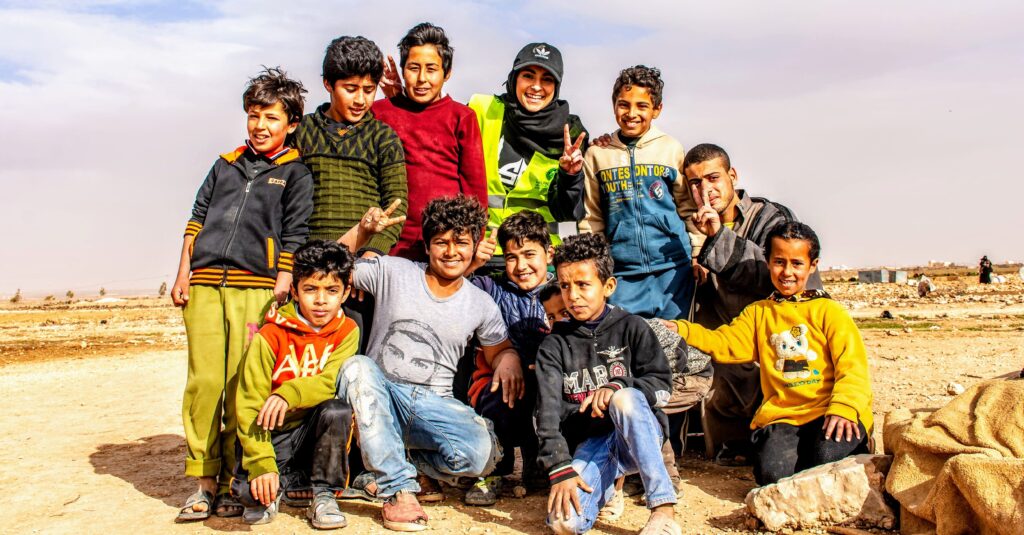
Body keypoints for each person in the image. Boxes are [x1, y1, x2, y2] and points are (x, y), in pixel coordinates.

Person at [172, 68, 313, 522]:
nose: (260, 125)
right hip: (206, 285)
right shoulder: (224, 164)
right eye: (253, 115)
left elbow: (294, 234)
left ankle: (235, 477)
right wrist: (182, 274)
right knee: (204, 383)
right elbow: (196, 219)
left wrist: (283, 280)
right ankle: (203, 480)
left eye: (270, 116)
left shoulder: (295, 173)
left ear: (290, 122)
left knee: (241, 386)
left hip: (258, 290)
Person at [335, 195, 521, 532]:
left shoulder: (481, 303)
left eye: (461, 242)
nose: (451, 252)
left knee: (481, 454)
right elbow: (326, 268)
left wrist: (508, 361)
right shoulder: (393, 271)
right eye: (441, 242)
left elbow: (501, 350)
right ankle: (399, 489)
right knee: (356, 368)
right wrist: (362, 234)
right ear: (426, 244)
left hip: (434, 408)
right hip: (380, 399)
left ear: (475, 244)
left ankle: (396, 461)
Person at [670, 222, 873, 485]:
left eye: (797, 264)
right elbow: (725, 342)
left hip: (829, 410)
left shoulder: (829, 312)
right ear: (767, 262)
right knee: (772, 475)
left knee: (826, 457)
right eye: (779, 262)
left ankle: (860, 443)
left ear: (812, 265)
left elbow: (853, 367)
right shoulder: (759, 313)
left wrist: (845, 408)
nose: (787, 272)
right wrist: (681, 329)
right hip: (784, 416)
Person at [682, 143, 823, 464]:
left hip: (778, 344)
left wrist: (717, 241)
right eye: (695, 182)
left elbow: (776, 277)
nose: (705, 190)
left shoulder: (770, 218)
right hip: (724, 349)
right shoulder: (686, 225)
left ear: (732, 176)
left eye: (713, 178)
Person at [535, 232, 681, 535]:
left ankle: (663, 510)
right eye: (564, 285)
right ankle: (608, 486)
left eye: (583, 284)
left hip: (639, 438)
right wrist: (559, 468)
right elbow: (546, 414)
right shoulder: (554, 345)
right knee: (564, 524)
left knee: (623, 399)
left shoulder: (633, 328)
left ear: (608, 286)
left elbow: (662, 385)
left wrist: (618, 386)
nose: (572, 295)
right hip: (593, 445)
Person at [230, 240, 360, 528]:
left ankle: (324, 493)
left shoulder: (347, 331)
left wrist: (289, 394)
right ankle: (279, 480)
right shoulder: (270, 334)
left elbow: (329, 381)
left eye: (332, 290)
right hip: (268, 432)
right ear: (294, 290)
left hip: (308, 436)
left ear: (346, 293)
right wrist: (262, 463)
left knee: (337, 410)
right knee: (250, 498)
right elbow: (250, 403)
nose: (321, 300)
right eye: (310, 289)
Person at [578, 65, 697, 320]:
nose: (632, 113)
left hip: (674, 270)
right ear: (614, 105)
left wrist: (696, 255)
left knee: (676, 349)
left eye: (642, 106)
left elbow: (688, 209)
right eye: (624, 104)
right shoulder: (598, 154)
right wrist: (597, 266)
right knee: (627, 350)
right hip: (622, 274)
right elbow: (592, 218)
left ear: (657, 109)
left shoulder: (671, 149)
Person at [461, 210, 556, 505]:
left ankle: (540, 459)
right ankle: (494, 470)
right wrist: (475, 263)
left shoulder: (562, 292)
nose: (521, 265)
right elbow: (454, 288)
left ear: (549, 253)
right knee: (503, 396)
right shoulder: (491, 288)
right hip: (496, 381)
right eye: (512, 256)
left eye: (529, 254)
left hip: (550, 381)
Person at [373, 22, 488, 261]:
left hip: (444, 250)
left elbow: (474, 192)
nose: (422, 78)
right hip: (387, 247)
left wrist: (470, 247)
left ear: (447, 73)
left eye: (431, 69)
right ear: (402, 70)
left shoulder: (462, 117)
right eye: (413, 68)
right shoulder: (380, 113)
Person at [468, 42, 590, 255]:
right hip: (481, 254)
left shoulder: (570, 133)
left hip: (538, 260)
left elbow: (566, 212)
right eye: (528, 76)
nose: (536, 86)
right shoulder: (481, 110)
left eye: (547, 79)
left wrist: (570, 175)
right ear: (514, 78)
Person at [295, 35, 408, 257]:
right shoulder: (302, 131)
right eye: (350, 88)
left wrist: (372, 254)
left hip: (362, 263)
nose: (360, 100)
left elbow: (396, 205)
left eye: (368, 90)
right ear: (328, 83)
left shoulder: (383, 137)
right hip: (307, 259)